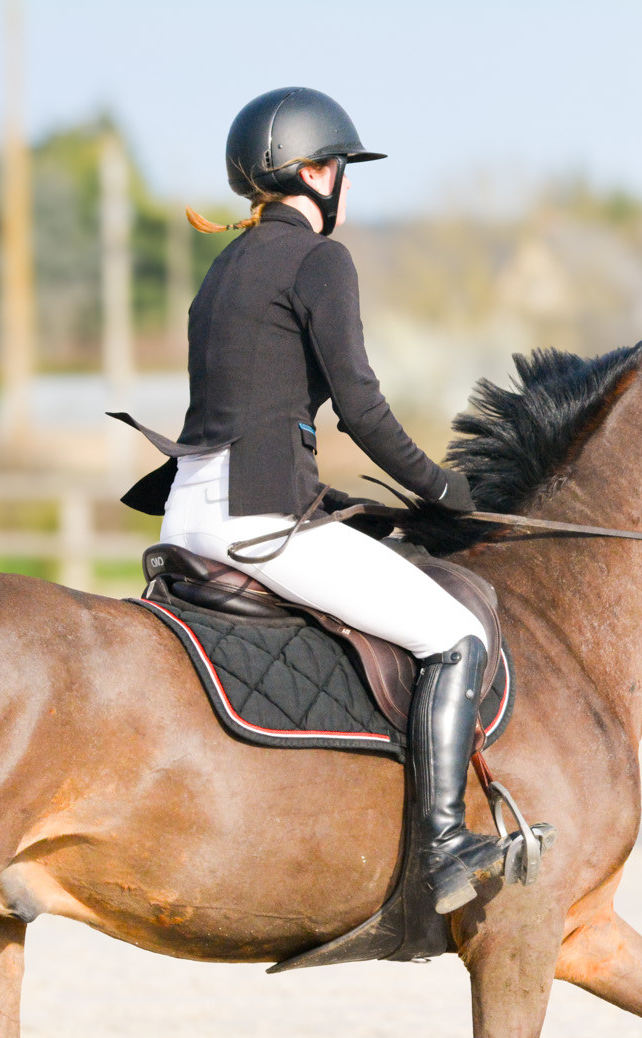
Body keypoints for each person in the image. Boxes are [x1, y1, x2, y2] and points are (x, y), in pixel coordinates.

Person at [119, 87, 503, 914]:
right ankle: (443, 846)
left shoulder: (225, 268)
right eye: (336, 165)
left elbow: (256, 409)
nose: (347, 184)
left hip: (188, 514)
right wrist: (444, 492)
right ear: (301, 172)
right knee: (455, 631)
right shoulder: (319, 261)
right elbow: (360, 406)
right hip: (258, 523)